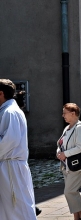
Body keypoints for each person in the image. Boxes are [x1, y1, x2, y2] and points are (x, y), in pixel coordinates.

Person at [0, 79, 37, 220]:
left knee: (18, 209)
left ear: (1, 93)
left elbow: (9, 141)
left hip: (11, 167)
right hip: (7, 166)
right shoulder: (6, 111)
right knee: (7, 209)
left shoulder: (10, 112)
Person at [57, 103, 81, 220]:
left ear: (73, 114)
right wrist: (59, 152)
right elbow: (61, 143)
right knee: (73, 193)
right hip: (68, 166)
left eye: (65, 113)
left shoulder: (79, 127)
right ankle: (77, 218)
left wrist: (65, 154)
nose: (63, 115)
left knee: (69, 192)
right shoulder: (67, 128)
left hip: (79, 166)